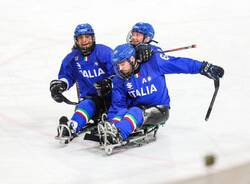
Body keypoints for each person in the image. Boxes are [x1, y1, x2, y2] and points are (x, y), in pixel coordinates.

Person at [99, 43, 224, 145]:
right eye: (117, 66)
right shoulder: (120, 78)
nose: (119, 69)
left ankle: (119, 133)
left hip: (159, 109)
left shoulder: (155, 62)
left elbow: (179, 63)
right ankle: (115, 129)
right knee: (127, 111)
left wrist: (204, 67)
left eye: (122, 64)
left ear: (132, 59)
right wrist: (113, 123)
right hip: (136, 109)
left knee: (135, 112)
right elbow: (118, 106)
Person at [49, 23, 114, 141]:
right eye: (81, 38)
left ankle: (117, 128)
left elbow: (120, 73)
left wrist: (110, 82)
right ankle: (71, 127)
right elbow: (67, 75)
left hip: (113, 97)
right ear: (76, 40)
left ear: (93, 38)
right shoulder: (72, 58)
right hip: (91, 98)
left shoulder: (105, 52)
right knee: (85, 106)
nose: (84, 41)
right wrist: (61, 85)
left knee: (118, 109)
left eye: (87, 37)